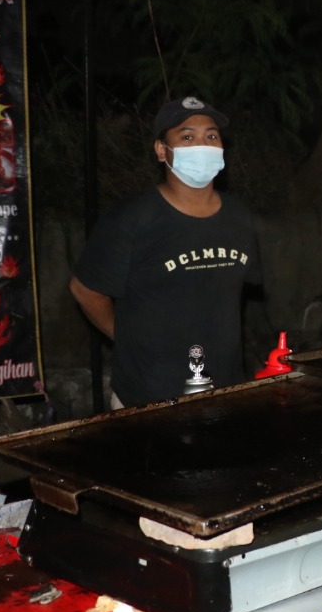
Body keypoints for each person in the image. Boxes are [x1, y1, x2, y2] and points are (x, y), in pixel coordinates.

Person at [69, 97, 262, 407]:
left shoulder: (238, 217)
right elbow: (85, 290)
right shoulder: (133, 218)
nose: (203, 144)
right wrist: (129, 340)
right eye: (187, 136)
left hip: (226, 390)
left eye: (211, 136)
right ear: (162, 150)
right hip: (149, 394)